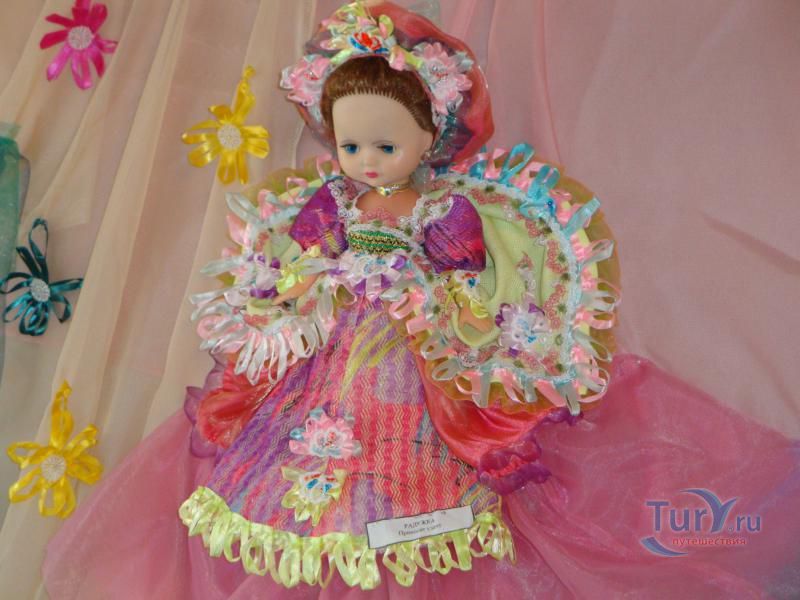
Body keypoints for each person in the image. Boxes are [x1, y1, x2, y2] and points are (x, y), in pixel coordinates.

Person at [42, 2, 800, 598]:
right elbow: (301, 261)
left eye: (386, 146)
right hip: (330, 356)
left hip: (410, 359)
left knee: (410, 483)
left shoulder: (442, 209)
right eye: (350, 146)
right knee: (309, 488)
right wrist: (305, 281)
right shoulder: (329, 202)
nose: (366, 161)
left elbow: (466, 279)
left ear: (428, 135)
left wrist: (450, 303)